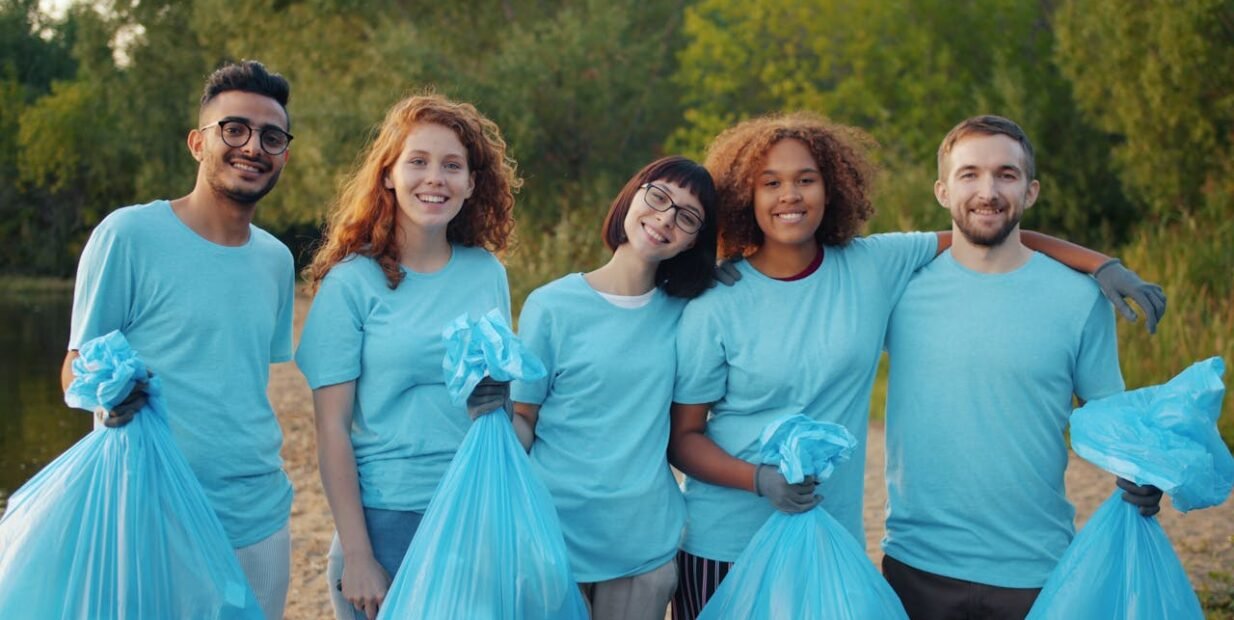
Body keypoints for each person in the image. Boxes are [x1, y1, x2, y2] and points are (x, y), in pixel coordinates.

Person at [665, 112, 1165, 619]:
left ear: (832, 187)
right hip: (725, 545)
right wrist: (759, 479)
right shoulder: (716, 302)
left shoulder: (873, 266)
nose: (789, 195)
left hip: (828, 540)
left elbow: (985, 230)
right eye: (769, 183)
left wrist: (1101, 265)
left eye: (806, 180)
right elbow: (682, 436)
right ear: (743, 197)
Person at [880, 115, 1162, 619]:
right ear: (942, 191)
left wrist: (1141, 467)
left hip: (1038, 570)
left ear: (1030, 192)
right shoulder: (897, 287)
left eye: (1006, 174)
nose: (987, 191)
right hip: (917, 567)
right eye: (969, 174)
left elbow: (1106, 414)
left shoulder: (1081, 299)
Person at [62, 60, 297, 619]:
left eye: (272, 136)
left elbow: (242, 380)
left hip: (258, 516)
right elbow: (74, 369)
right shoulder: (128, 235)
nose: (253, 147)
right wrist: (107, 394)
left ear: (284, 152)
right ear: (197, 143)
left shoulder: (276, 260)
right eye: (233, 129)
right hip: (148, 514)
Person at [295, 93, 519, 620]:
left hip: (473, 514)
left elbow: (499, 405)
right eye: (417, 161)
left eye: (452, 166)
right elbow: (331, 430)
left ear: (471, 183)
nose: (434, 178)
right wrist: (358, 555)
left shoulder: (488, 273)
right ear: (388, 174)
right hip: (385, 520)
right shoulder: (352, 283)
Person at [475, 156, 717, 620]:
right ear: (632, 195)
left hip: (642, 544)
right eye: (659, 196)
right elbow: (526, 418)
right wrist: (496, 416)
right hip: (550, 538)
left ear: (694, 241)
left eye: (687, 217)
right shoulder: (552, 305)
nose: (665, 218)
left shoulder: (690, 313)